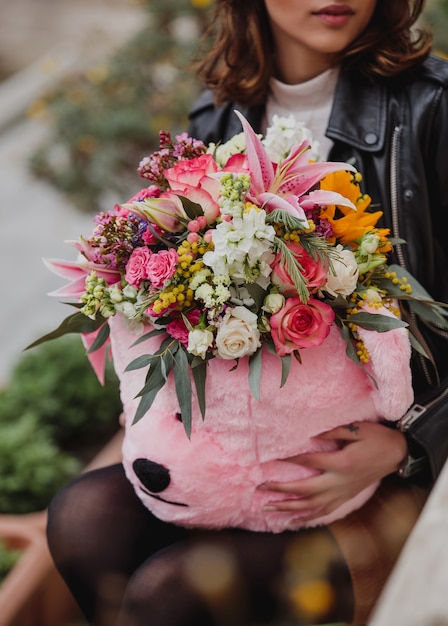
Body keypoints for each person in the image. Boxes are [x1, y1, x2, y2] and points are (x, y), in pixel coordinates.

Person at [46, 1, 448, 625]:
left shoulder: (434, 110)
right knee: (82, 517)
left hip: (397, 466)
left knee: (171, 594)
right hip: (247, 447)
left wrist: (407, 445)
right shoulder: (213, 122)